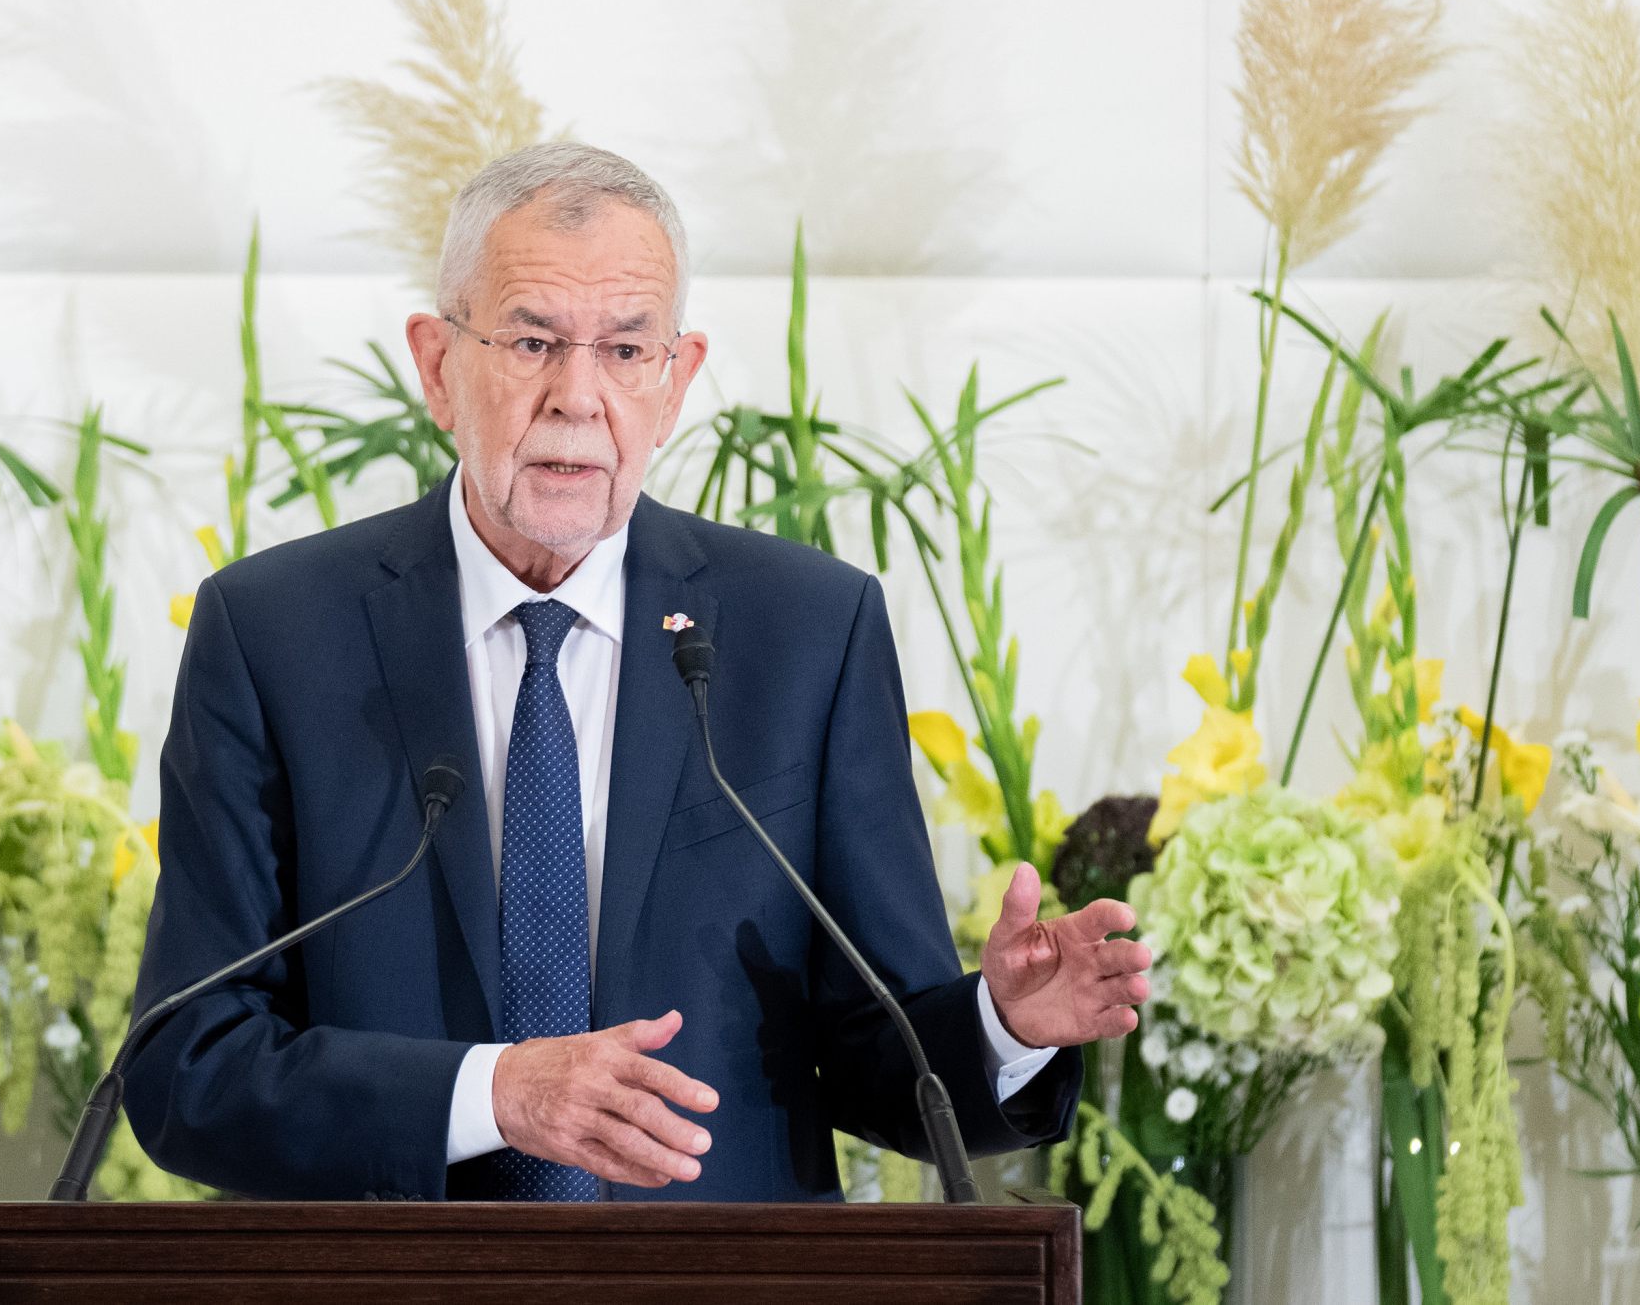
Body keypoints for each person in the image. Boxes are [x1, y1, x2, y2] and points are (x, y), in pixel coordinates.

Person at [124, 142, 1152, 1200]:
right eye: (531, 340)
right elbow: (186, 1067)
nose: (578, 396)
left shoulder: (806, 631)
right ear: (437, 365)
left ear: (677, 379)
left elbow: (874, 1048)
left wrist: (1003, 1024)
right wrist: (493, 1094)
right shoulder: (276, 633)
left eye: (625, 349)